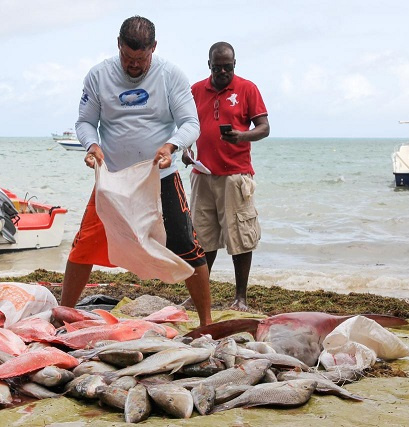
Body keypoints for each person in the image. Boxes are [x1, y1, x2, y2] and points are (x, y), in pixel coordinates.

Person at [60, 16, 212, 327]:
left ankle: (207, 324)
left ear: (153, 49)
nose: (133, 66)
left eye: (140, 59)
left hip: (159, 176)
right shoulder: (99, 75)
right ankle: (63, 316)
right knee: (84, 245)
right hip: (113, 179)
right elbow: (85, 122)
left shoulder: (170, 75)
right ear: (118, 45)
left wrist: (171, 146)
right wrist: (92, 145)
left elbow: (190, 124)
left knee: (188, 246)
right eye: (127, 58)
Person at [183, 41, 270, 311]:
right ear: (209, 65)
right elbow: (186, 126)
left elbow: (264, 127)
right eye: (217, 67)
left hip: (236, 175)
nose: (222, 72)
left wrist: (241, 136)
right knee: (202, 237)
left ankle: (240, 298)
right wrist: (186, 150)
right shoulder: (196, 90)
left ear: (235, 65)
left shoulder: (247, 88)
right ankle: (199, 295)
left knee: (240, 237)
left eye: (228, 67)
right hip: (202, 173)